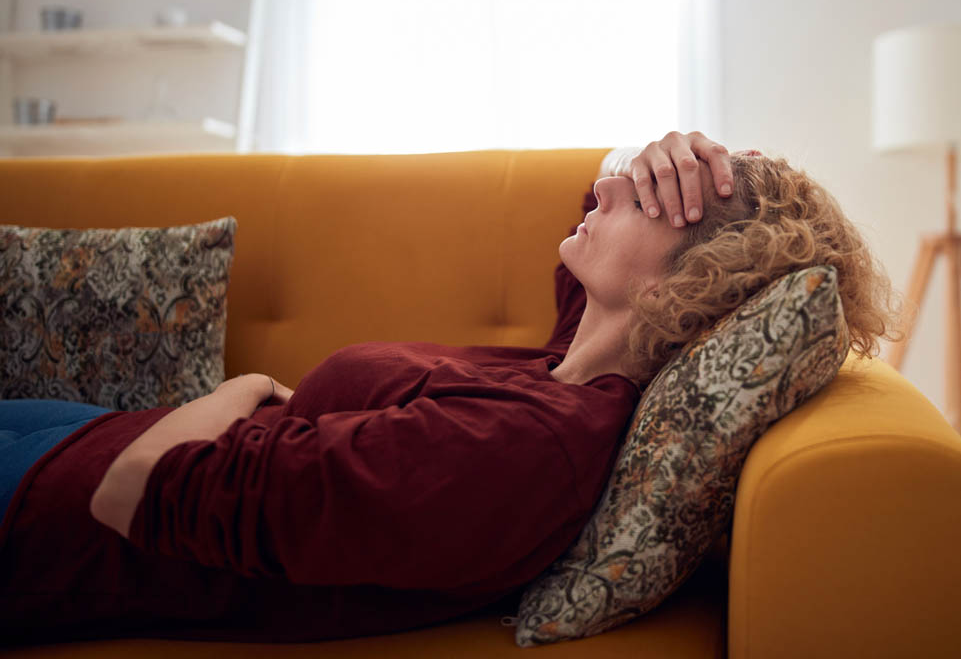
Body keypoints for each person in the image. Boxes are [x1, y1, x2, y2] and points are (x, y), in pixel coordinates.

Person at [0, 130, 905, 644]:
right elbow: (593, 237)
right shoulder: (572, 367)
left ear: (678, 286)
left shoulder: (525, 451)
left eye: (632, 199)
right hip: (80, 435)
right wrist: (666, 155)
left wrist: (244, 386)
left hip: (49, 509)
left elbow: (139, 494)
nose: (599, 186)